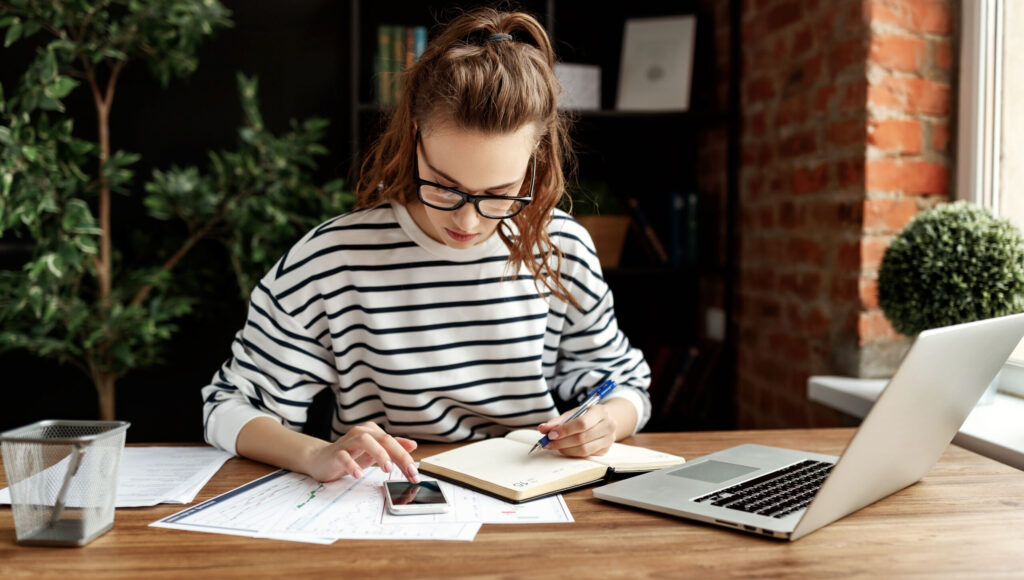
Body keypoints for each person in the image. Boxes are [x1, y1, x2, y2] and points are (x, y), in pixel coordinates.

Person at [201, 7, 652, 484]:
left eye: (498, 194)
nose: (467, 220)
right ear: (415, 137)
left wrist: (607, 421)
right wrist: (316, 454)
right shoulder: (331, 260)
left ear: (535, 158)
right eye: (444, 185)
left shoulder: (562, 247)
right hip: (385, 499)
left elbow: (625, 384)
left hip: (534, 496)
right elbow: (227, 407)